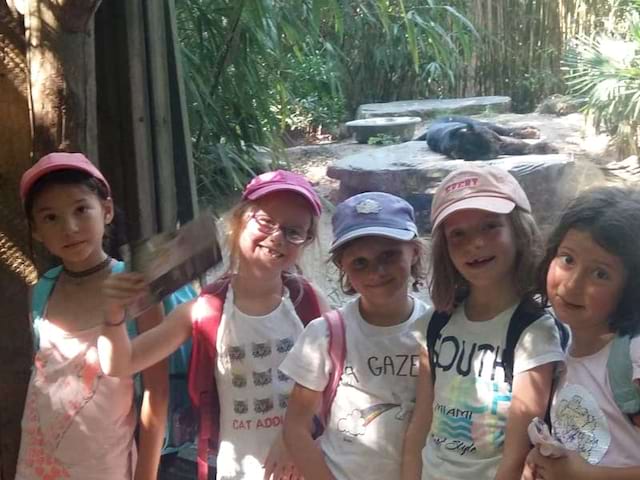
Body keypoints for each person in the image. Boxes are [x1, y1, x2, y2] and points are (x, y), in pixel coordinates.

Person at [98, 169, 329, 480]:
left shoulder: (310, 304)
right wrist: (112, 313)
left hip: (306, 466)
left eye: (294, 231)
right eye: (265, 221)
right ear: (237, 222)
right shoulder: (204, 310)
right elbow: (120, 363)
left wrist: (297, 436)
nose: (277, 237)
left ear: (305, 242)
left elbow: (336, 384)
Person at [402, 165, 565, 480]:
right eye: (457, 234)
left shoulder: (534, 332)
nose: (474, 243)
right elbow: (420, 421)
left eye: (490, 226)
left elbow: (517, 453)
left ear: (519, 231)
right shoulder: (434, 324)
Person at [15, 152, 169, 480]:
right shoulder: (40, 291)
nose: (69, 228)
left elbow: (157, 391)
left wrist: (146, 474)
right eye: (51, 217)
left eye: (81, 209)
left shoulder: (134, 286)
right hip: (38, 464)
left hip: (106, 467)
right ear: (37, 231)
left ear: (107, 210)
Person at [281, 191, 432, 480]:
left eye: (389, 255)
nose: (376, 271)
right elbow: (296, 427)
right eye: (359, 263)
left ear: (414, 251)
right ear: (342, 267)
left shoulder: (437, 332)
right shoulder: (324, 334)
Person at [525, 186, 640, 480]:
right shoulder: (561, 343)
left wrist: (585, 475)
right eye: (567, 259)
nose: (572, 285)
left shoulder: (632, 358)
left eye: (600, 273)